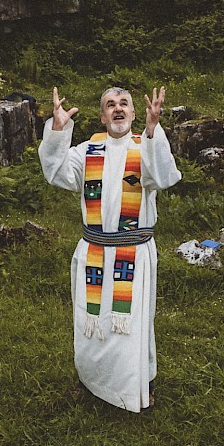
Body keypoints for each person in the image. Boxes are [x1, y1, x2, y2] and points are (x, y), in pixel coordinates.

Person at [39, 86, 181, 413]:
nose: (117, 109)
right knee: (92, 324)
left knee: (130, 326)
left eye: (124, 104)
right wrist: (58, 130)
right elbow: (56, 171)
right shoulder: (89, 149)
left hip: (133, 254)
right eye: (110, 105)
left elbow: (163, 175)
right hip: (93, 252)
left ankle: (136, 388)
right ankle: (92, 382)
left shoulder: (143, 148)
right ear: (102, 116)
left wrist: (153, 129)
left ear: (133, 113)